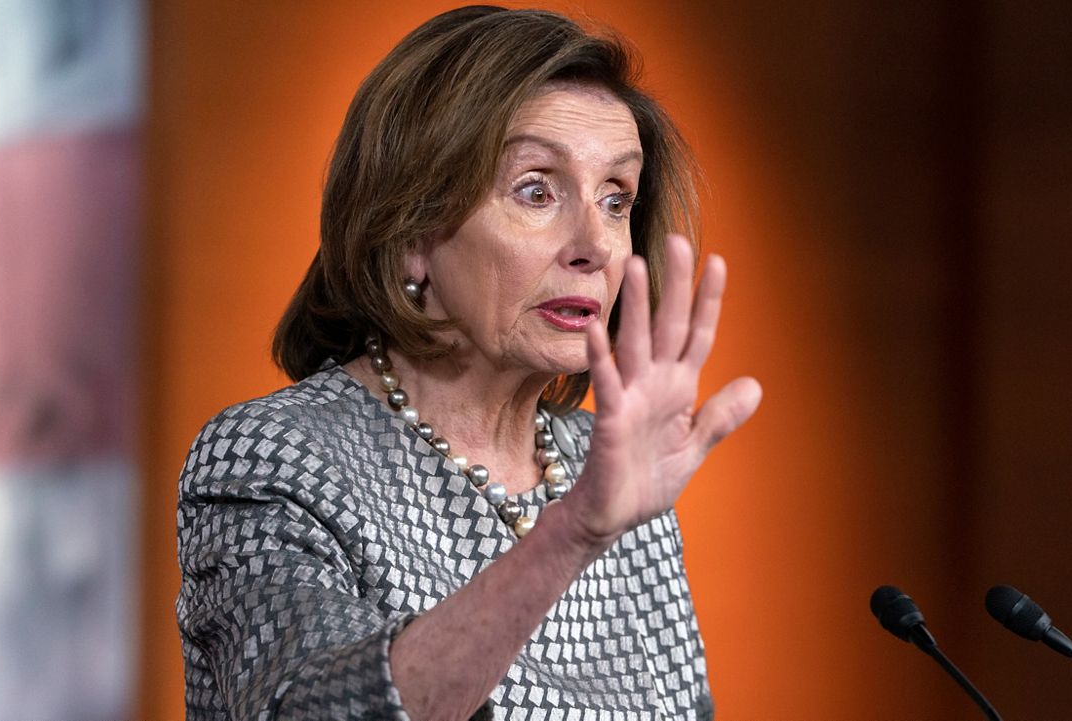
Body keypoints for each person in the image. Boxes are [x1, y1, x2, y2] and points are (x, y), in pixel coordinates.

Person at [175, 6, 761, 720]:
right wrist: (572, 533)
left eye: (616, 199)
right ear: (412, 232)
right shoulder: (272, 457)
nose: (596, 245)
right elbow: (314, 709)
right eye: (536, 189)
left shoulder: (604, 463)